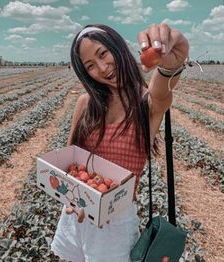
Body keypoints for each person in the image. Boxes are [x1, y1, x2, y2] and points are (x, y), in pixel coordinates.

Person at [51, 23, 189, 262]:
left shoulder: (146, 105)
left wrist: (170, 65)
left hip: (114, 224)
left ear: (118, 48)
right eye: (90, 66)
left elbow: (161, 92)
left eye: (103, 54)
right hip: (78, 213)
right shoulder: (85, 104)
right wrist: (69, 195)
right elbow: (69, 162)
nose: (102, 69)